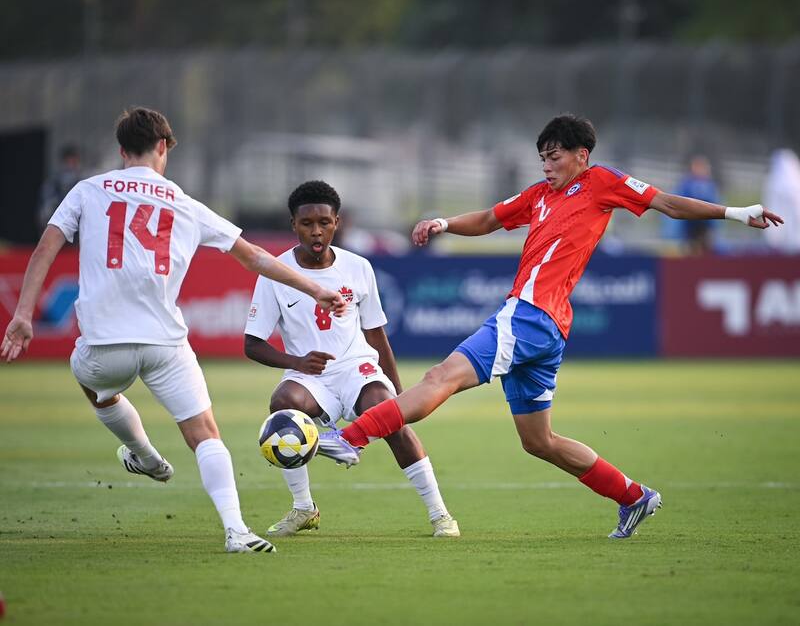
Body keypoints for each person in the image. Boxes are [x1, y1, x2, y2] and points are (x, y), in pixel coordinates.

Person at [317, 114, 783, 540]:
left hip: (530, 314)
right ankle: (633, 496)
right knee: (538, 441)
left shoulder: (602, 181)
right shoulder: (539, 196)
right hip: (547, 329)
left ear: (582, 155)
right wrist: (443, 222)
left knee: (441, 377)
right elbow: (488, 219)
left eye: (554, 155)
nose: (546, 164)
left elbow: (666, 203)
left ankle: (349, 437)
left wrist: (736, 213)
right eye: (542, 156)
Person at [1, 107, 346, 554]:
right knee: (205, 433)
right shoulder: (183, 202)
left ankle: (143, 455)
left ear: (122, 150)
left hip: (104, 344)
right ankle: (236, 530)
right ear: (163, 147)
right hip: (165, 344)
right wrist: (315, 288)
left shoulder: (87, 191)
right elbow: (255, 257)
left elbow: (46, 248)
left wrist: (24, 314)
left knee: (96, 388)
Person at [244, 180, 459, 538]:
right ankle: (303, 509)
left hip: (356, 367)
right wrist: (296, 362)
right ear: (293, 225)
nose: (316, 231)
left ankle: (440, 515)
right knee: (283, 406)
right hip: (310, 376)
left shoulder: (358, 267)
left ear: (337, 223)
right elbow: (252, 344)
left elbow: (376, 335)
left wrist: (401, 396)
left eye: (324, 223)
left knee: (386, 411)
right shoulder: (275, 274)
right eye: (307, 223)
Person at [667, 155, 721, 254]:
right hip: (690, 223)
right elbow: (679, 202)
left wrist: (714, 225)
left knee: (706, 251)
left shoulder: (710, 184)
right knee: (691, 250)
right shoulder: (687, 183)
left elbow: (715, 204)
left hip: (705, 224)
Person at [38, 144, 82, 233]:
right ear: (65, 161)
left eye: (75, 161)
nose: (73, 164)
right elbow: (46, 207)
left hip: (76, 226)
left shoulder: (81, 181)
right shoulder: (53, 182)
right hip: (58, 224)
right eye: (71, 160)